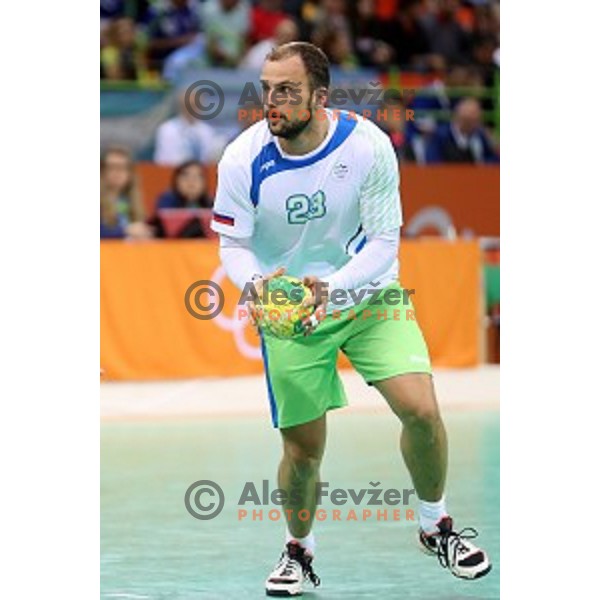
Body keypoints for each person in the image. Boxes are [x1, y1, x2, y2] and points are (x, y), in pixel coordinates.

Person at [211, 42, 491, 596]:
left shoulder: (367, 146)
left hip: (367, 296)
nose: (273, 101)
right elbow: (233, 245)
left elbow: (385, 244)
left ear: (320, 96)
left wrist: (332, 287)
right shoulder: (242, 159)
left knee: (422, 409)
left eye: (286, 90)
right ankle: (299, 551)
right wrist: (261, 287)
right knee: (303, 449)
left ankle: (435, 524)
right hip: (291, 313)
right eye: (266, 89)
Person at [154, 91, 226, 166]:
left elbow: (209, 158)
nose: (193, 109)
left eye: (197, 105)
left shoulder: (206, 131)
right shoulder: (168, 129)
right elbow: (163, 160)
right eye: (189, 105)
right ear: (181, 106)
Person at [100, 147, 153, 239]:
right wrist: (125, 230)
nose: (117, 172)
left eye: (122, 167)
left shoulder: (130, 200)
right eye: (111, 167)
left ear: (131, 173)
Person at [427, 97, 499, 163]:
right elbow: (433, 162)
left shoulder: (480, 135)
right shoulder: (440, 135)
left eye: (477, 120)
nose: (475, 125)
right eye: (469, 121)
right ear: (458, 118)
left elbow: (492, 161)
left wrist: (495, 148)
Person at [152, 161, 213, 238]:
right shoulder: (166, 201)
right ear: (176, 180)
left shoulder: (212, 203)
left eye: (197, 176)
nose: (191, 181)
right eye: (186, 176)